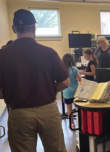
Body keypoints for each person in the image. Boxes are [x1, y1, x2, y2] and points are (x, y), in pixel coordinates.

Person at [0, 9, 69, 152]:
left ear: (13, 29)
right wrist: (46, 88)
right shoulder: (49, 52)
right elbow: (65, 83)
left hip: (19, 115)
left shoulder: (2, 55)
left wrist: (13, 93)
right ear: (34, 28)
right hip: (48, 111)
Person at [62, 53, 82, 129]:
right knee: (78, 107)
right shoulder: (74, 69)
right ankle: (80, 122)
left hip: (66, 92)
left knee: (69, 108)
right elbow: (80, 80)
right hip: (76, 91)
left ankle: (72, 124)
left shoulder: (62, 70)